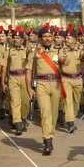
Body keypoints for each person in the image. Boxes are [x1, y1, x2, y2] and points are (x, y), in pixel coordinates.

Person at [26, 24, 64, 155]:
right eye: (45, 36)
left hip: (56, 84)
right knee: (45, 112)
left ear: (53, 37)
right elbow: (29, 70)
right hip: (41, 84)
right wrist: (29, 87)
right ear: (41, 38)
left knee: (54, 114)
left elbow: (66, 65)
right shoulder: (35, 52)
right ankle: (47, 140)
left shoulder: (59, 51)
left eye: (49, 36)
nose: (47, 38)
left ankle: (50, 134)